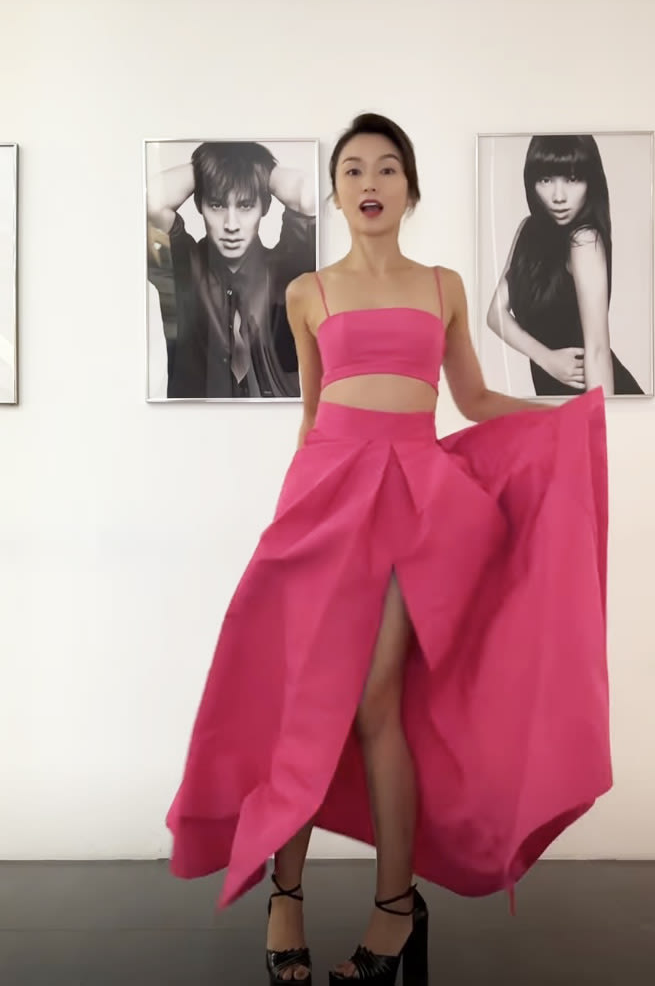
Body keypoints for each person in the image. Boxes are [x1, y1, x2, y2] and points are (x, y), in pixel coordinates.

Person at [166, 114, 610, 985]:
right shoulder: (307, 291)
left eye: (386, 169)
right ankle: (285, 897)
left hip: (413, 497)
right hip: (324, 497)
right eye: (352, 170)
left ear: (409, 189)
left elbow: (473, 400)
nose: (369, 182)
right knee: (301, 697)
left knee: (373, 701)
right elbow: (311, 416)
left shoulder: (442, 286)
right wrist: (289, 514)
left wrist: (570, 419)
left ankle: (395, 906)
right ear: (334, 192)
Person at [147, 141, 316, 398]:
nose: (231, 225)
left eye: (246, 205)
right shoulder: (182, 267)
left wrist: (252, 167)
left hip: (280, 419)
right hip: (191, 420)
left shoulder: (287, 269)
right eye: (217, 205)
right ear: (199, 205)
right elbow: (151, 200)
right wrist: (212, 167)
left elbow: (308, 194)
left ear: (265, 206)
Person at [487, 134, 643, 397]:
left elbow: (597, 350)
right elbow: (495, 315)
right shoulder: (527, 230)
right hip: (558, 397)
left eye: (572, 179)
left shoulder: (584, 240)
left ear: (590, 181)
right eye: (546, 180)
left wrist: (605, 418)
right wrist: (546, 358)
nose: (558, 196)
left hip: (594, 393)